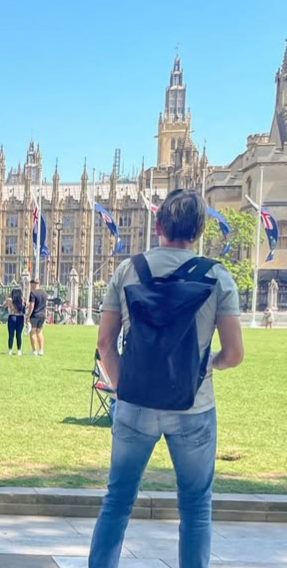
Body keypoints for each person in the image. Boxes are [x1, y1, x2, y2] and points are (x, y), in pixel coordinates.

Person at [88, 189, 245, 568]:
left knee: (117, 502)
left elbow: (105, 342)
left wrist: (124, 386)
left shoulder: (128, 270)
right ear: (199, 230)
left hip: (135, 402)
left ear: (157, 224)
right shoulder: (217, 277)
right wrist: (208, 366)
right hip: (194, 405)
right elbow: (235, 354)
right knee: (195, 507)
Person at [26, 278, 48, 356]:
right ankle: (41, 350)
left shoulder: (33, 293)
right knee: (40, 332)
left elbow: (32, 306)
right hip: (42, 315)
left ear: (33, 284)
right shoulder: (44, 293)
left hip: (35, 315)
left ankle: (34, 350)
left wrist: (27, 316)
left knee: (33, 332)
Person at [4, 287, 25, 355]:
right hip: (20, 317)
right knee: (19, 335)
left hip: (12, 316)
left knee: (11, 335)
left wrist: (7, 296)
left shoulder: (10, 300)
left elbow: (4, 304)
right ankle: (19, 350)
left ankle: (10, 350)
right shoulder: (22, 300)